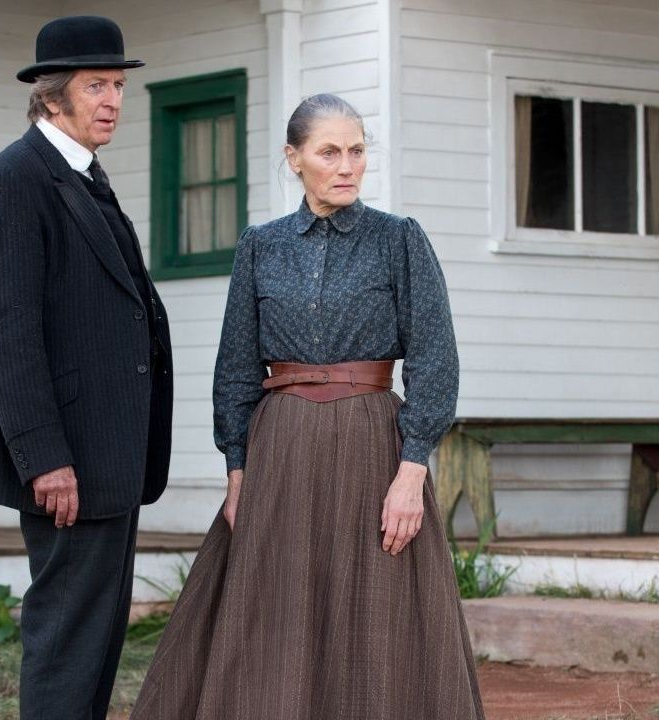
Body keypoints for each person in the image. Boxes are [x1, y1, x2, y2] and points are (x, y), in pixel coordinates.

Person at [131, 93, 484, 719]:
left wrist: (412, 470)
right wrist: (237, 471)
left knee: (375, 605)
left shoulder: (398, 240)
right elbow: (236, 367)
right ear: (294, 159)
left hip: (376, 444)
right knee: (278, 605)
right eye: (330, 152)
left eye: (357, 150)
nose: (347, 165)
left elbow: (436, 357)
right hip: (282, 448)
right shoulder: (260, 247)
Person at [0, 15, 173, 720]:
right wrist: (44, 459)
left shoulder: (81, 173)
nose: (113, 99)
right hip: (67, 457)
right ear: (51, 96)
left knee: (96, 634)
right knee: (68, 634)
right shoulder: (17, 179)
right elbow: (4, 334)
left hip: (108, 451)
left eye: (118, 84)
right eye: (95, 85)